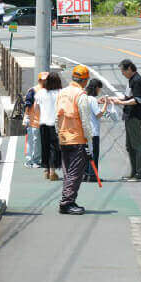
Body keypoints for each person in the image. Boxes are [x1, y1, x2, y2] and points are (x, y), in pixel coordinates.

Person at [55, 65, 94, 215]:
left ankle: (69, 200)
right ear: (84, 81)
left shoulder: (62, 93)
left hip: (64, 138)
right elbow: (85, 121)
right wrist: (89, 142)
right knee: (75, 173)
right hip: (77, 139)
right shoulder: (80, 95)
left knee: (68, 172)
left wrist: (59, 134)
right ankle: (66, 203)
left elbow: (56, 117)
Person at [110, 59, 141, 181]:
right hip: (129, 115)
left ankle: (140, 174)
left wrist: (121, 102)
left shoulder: (138, 81)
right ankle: (133, 172)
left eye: (123, 71)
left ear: (130, 68)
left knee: (137, 145)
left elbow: (137, 100)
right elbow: (128, 96)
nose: (122, 74)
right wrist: (114, 99)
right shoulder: (132, 80)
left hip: (135, 116)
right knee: (129, 146)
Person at [78, 78, 109, 182]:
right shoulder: (92, 99)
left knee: (86, 154)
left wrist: (98, 102)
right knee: (94, 154)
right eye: (99, 89)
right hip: (94, 131)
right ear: (96, 88)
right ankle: (93, 175)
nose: (99, 91)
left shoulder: (84, 97)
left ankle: (85, 174)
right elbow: (98, 114)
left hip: (84, 130)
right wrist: (105, 105)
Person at [33, 71, 62, 180]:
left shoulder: (41, 93)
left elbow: (36, 109)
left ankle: (46, 170)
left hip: (43, 123)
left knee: (45, 147)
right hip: (55, 123)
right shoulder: (61, 93)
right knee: (54, 148)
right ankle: (52, 173)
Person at [22, 73, 46, 168]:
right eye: (44, 80)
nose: (46, 81)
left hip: (44, 122)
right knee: (33, 142)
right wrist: (26, 117)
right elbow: (28, 104)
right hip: (34, 121)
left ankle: (37, 160)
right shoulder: (33, 90)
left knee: (38, 143)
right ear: (39, 80)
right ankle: (30, 161)